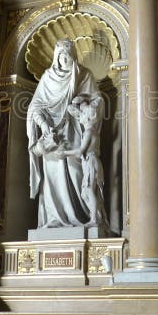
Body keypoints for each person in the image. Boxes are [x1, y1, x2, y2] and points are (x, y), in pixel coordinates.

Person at [26, 39, 101, 228]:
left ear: (73, 56)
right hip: (52, 135)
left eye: (67, 56)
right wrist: (44, 126)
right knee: (53, 177)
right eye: (60, 56)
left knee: (77, 174)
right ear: (55, 58)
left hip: (75, 131)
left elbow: (97, 101)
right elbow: (35, 106)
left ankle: (84, 217)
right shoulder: (47, 78)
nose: (63, 60)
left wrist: (81, 100)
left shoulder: (84, 74)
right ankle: (54, 218)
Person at [63, 93, 108, 228]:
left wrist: (63, 153)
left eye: (82, 114)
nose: (80, 116)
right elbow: (72, 109)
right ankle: (98, 216)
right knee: (85, 193)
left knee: (89, 191)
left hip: (91, 162)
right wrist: (82, 102)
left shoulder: (89, 132)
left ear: (87, 117)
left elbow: (79, 152)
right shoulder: (91, 131)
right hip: (89, 162)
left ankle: (94, 219)